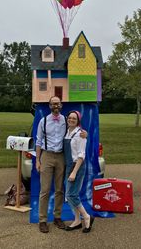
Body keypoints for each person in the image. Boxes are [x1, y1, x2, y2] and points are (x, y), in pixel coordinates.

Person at [35, 96, 86, 233]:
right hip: (46, 156)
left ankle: (57, 217)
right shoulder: (43, 121)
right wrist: (37, 160)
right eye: (53, 104)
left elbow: (76, 130)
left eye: (57, 103)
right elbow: (38, 142)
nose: (55, 106)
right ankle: (42, 220)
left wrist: (84, 133)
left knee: (59, 189)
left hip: (61, 157)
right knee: (44, 190)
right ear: (50, 106)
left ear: (61, 105)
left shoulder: (66, 120)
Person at [63, 110, 94, 233]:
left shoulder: (80, 134)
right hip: (69, 166)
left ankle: (86, 217)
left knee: (72, 195)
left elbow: (81, 155)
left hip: (77, 167)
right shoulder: (67, 132)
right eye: (69, 118)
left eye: (74, 119)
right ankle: (76, 220)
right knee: (68, 195)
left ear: (78, 121)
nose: (71, 120)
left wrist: (74, 172)